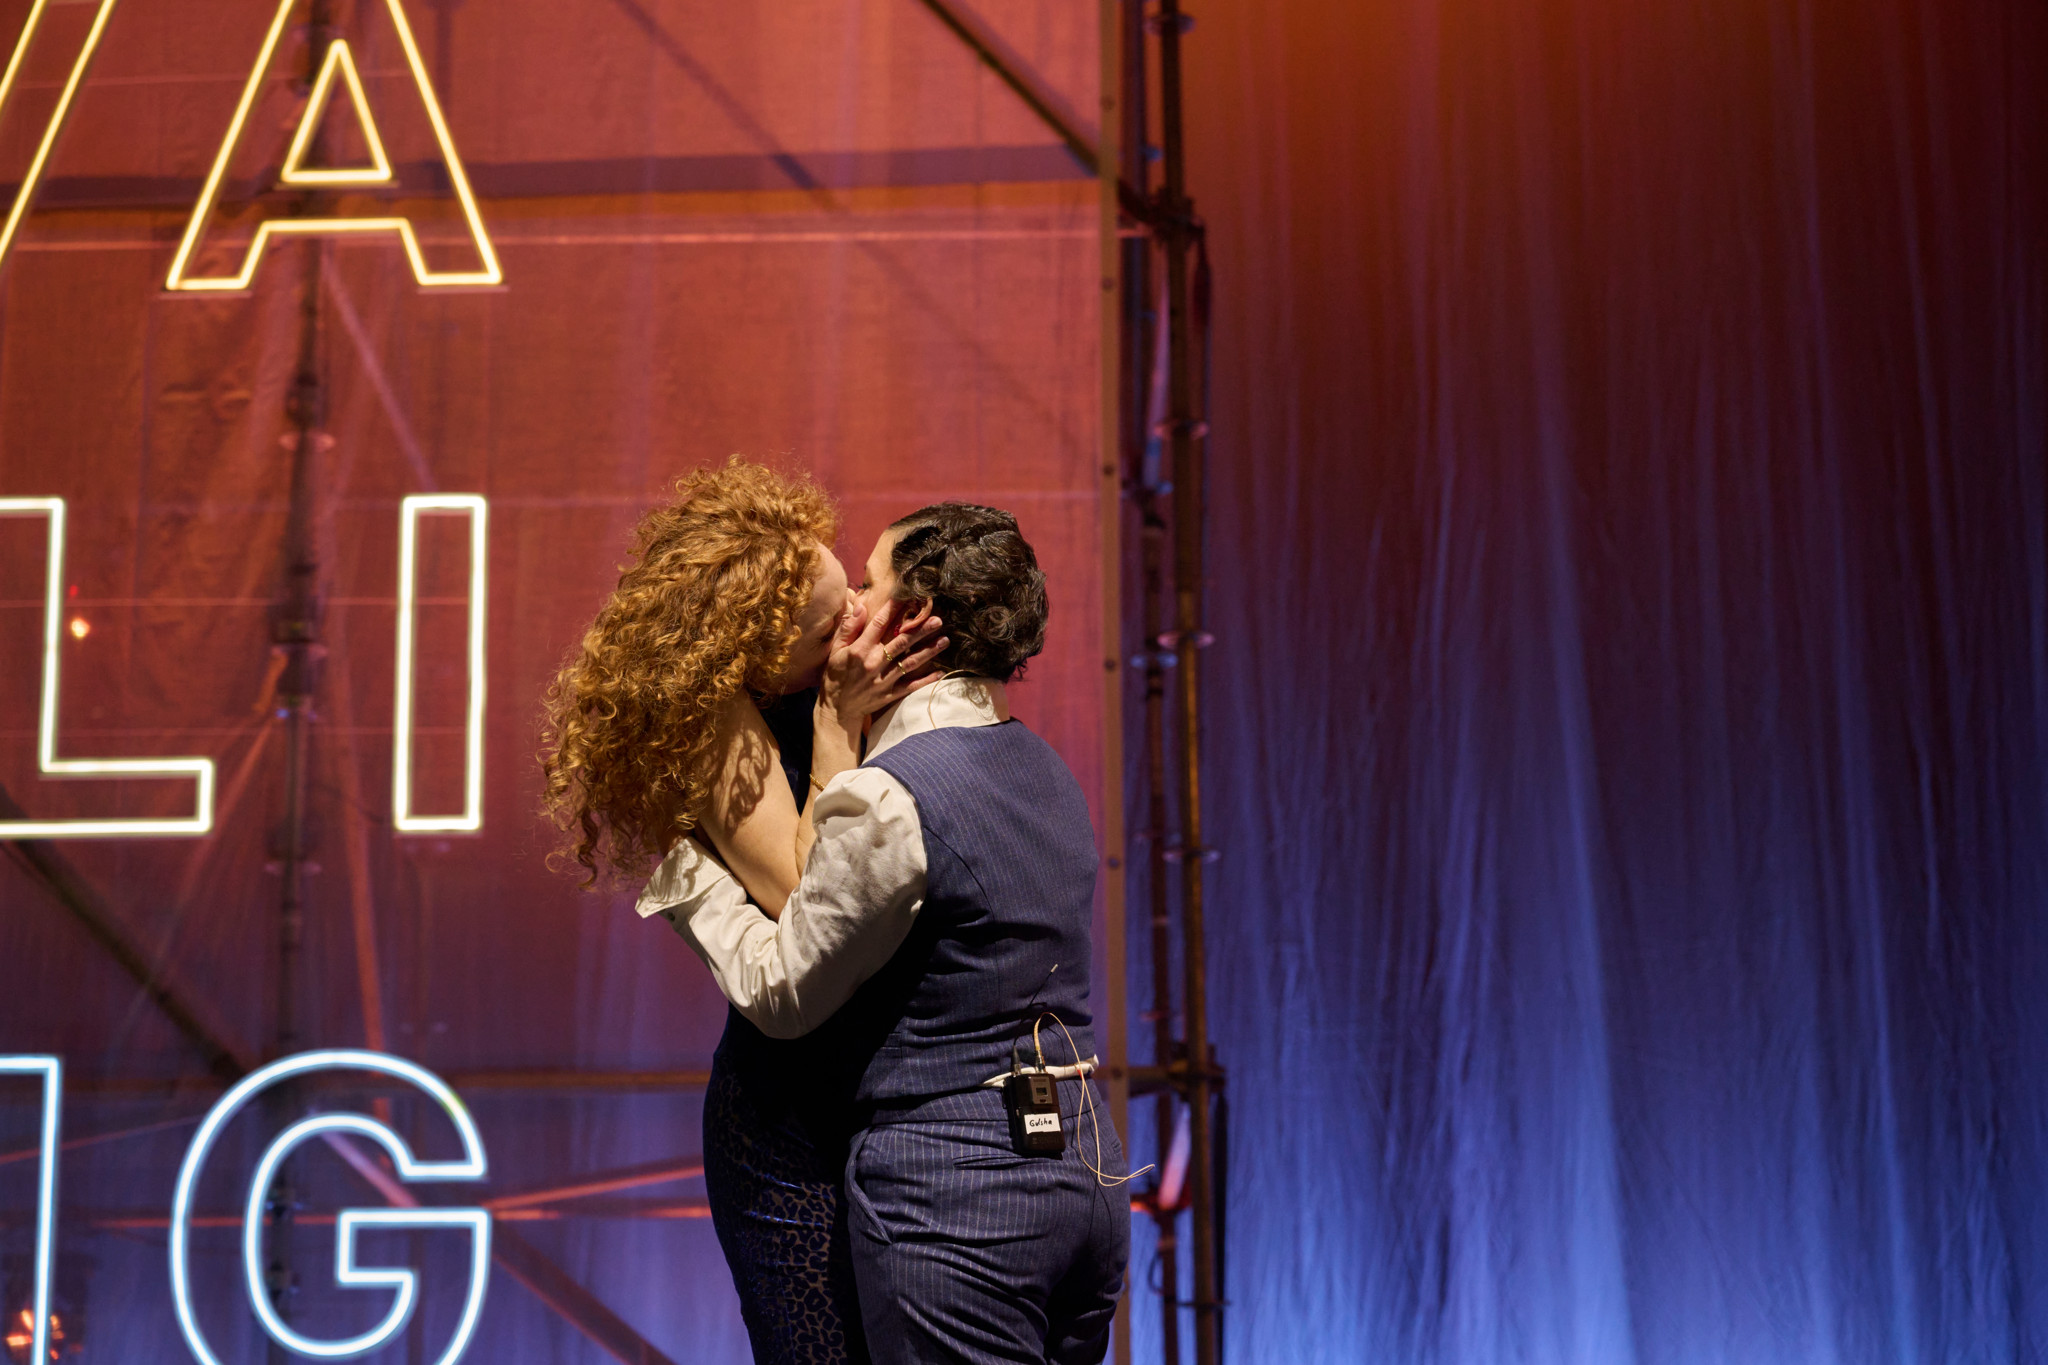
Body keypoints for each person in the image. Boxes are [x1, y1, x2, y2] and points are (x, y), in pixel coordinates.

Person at [639, 502, 1132, 1365]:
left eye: (866, 583)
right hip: (1080, 1174)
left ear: (913, 620)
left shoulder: (894, 788)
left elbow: (785, 984)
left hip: (954, 1194)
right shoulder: (1044, 767)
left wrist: (685, 875)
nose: (852, 608)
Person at [540, 458, 949, 1365]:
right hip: (790, 1134)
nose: (856, 623)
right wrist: (841, 728)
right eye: (828, 624)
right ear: (757, 661)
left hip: (891, 1109)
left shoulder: (821, 676)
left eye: (851, 590)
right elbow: (811, 897)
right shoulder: (717, 728)